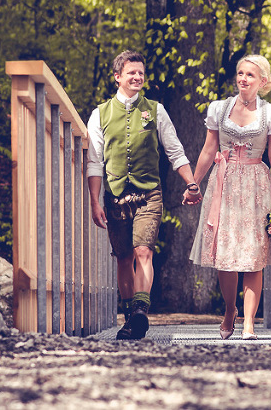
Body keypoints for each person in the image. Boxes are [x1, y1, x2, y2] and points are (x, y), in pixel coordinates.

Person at [87, 50, 201, 340]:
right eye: (131, 73)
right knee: (123, 257)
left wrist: (191, 183)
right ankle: (130, 320)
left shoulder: (156, 110)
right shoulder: (99, 114)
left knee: (144, 251)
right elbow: (94, 161)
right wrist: (94, 201)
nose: (137, 77)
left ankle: (140, 309)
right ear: (117, 77)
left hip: (149, 193)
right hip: (114, 196)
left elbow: (174, 150)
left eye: (141, 73)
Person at [186, 54, 271, 340]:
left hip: (257, 185)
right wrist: (194, 183)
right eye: (240, 73)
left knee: (255, 256)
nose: (243, 79)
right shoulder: (219, 109)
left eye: (250, 75)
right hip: (225, 183)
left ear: (262, 82)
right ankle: (230, 309)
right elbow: (208, 150)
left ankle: (249, 323)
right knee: (226, 255)